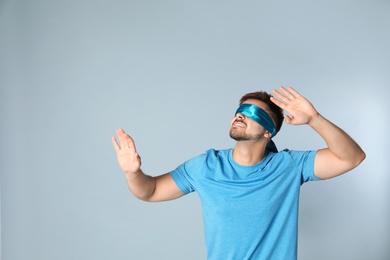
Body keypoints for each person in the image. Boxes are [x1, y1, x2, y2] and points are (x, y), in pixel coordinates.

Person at [112, 86, 365, 260]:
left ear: (269, 132)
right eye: (239, 111)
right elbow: (151, 191)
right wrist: (133, 173)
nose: (240, 116)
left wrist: (314, 119)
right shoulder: (206, 166)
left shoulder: (288, 166)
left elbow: (351, 157)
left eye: (252, 113)